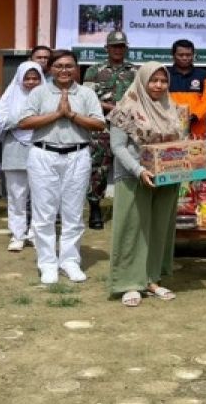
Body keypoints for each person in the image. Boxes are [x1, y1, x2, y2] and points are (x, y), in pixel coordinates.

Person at [19, 49, 106, 284]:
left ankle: (69, 261)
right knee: (44, 213)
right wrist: (58, 114)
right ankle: (47, 263)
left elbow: (99, 123)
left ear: (76, 69)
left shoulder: (86, 93)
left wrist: (72, 115)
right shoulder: (39, 92)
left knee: (73, 213)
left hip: (77, 155)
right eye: (59, 66)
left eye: (69, 66)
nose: (64, 70)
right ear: (50, 68)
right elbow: (25, 121)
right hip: (44, 154)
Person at [107, 62, 189, 307]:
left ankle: (152, 279)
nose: (158, 85)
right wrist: (139, 170)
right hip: (134, 177)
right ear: (142, 81)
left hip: (166, 179)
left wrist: (184, 165)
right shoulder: (126, 107)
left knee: (158, 229)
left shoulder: (172, 107)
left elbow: (179, 141)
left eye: (163, 81)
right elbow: (118, 147)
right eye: (153, 80)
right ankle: (128, 283)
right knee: (132, 230)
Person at [82, 30, 137, 230]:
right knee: (98, 168)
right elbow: (86, 98)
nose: (117, 50)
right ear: (107, 48)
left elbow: (141, 97)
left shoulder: (135, 71)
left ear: (126, 48)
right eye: (114, 46)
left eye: (121, 46)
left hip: (127, 126)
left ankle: (128, 209)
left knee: (129, 165)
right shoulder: (94, 70)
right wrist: (111, 108)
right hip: (101, 125)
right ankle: (95, 207)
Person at [0, 61, 44, 252]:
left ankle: (36, 234)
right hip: (14, 149)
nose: (31, 82)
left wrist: (30, 121)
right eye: (27, 78)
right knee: (16, 196)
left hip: (41, 148)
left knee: (41, 196)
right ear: (20, 78)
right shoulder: (9, 96)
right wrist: (22, 121)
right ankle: (17, 235)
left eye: (35, 78)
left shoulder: (47, 96)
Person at [167, 39, 206, 139]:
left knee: (196, 154)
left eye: (188, 55)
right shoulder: (165, 74)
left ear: (193, 55)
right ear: (173, 55)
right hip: (170, 127)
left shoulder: (205, 76)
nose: (185, 58)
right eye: (181, 55)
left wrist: (194, 116)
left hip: (197, 129)